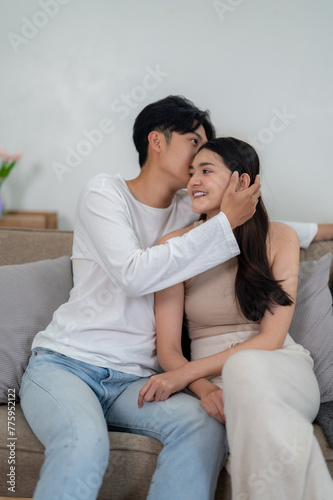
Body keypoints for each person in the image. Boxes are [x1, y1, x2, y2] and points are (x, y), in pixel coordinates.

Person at [19, 96, 262, 500]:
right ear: (157, 141)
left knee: (204, 426)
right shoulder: (104, 193)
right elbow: (135, 274)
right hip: (67, 365)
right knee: (83, 440)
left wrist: (319, 229)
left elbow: (262, 223)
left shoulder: (190, 209)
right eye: (193, 141)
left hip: (136, 381)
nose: (199, 156)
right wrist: (223, 223)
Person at [138, 137, 333, 500]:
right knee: (275, 427)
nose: (193, 180)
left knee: (246, 368)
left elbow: (271, 340)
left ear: (242, 182)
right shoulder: (174, 246)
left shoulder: (279, 237)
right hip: (213, 381)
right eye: (192, 171)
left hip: (279, 369)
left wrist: (183, 376)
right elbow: (167, 350)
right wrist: (205, 388)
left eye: (206, 171)